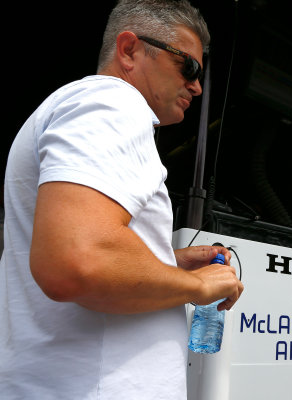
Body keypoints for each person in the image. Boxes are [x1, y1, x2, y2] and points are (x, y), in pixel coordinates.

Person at [0, 1, 244, 399]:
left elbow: (72, 249)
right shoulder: (112, 104)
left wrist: (167, 261)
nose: (196, 86)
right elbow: (75, 262)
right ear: (129, 50)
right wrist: (193, 285)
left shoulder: (77, 108)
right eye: (189, 67)